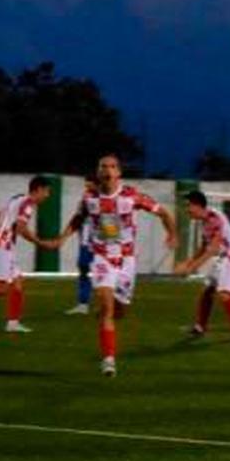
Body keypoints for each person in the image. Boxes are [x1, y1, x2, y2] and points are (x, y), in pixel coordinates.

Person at [56, 154, 177, 377]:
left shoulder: (132, 196)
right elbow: (78, 218)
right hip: (102, 258)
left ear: (119, 173)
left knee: (120, 308)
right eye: (103, 166)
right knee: (106, 306)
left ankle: (110, 312)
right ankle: (109, 360)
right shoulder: (89, 198)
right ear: (98, 172)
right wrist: (62, 238)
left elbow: (163, 213)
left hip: (127, 260)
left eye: (112, 167)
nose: (108, 170)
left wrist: (172, 234)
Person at [0, 176, 60, 332]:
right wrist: (42, 243)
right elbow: (21, 229)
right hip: (3, 248)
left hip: (1, 245)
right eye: (47, 191)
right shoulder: (28, 204)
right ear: (39, 189)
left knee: (17, 282)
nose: (47, 195)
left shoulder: (17, 198)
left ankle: (13, 323)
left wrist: (1, 233)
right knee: (2, 288)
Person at [175, 191, 230, 341]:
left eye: (188, 205)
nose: (187, 209)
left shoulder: (213, 218)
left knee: (225, 294)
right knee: (208, 291)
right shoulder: (205, 222)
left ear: (197, 205)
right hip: (223, 257)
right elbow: (204, 247)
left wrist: (192, 267)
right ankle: (200, 328)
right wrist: (189, 262)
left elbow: (214, 248)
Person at [65, 177, 99, 315]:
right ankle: (83, 304)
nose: (86, 189)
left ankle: (110, 302)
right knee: (83, 267)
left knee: (103, 271)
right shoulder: (86, 197)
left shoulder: (105, 197)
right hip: (86, 240)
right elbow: (79, 217)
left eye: (89, 185)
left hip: (102, 241)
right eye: (86, 186)